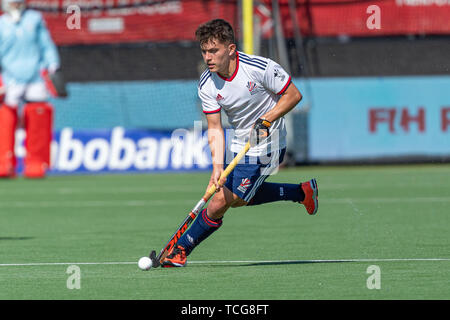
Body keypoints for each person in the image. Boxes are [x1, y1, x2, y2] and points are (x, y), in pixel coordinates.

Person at [162, 19, 318, 267]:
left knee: (220, 202)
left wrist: (266, 120)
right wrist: (216, 169)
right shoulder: (207, 83)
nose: (208, 57)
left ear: (231, 49)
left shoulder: (258, 68)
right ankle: (301, 192)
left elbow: (293, 96)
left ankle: (179, 251)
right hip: (240, 143)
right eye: (204, 51)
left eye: (214, 51)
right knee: (241, 198)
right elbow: (214, 128)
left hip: (270, 143)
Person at [0, 0, 60, 178]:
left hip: (35, 76)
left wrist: (52, 65)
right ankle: (4, 163)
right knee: (5, 117)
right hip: (9, 78)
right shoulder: (1, 24)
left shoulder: (34, 19)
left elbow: (46, 45)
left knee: (38, 115)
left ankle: (36, 163)